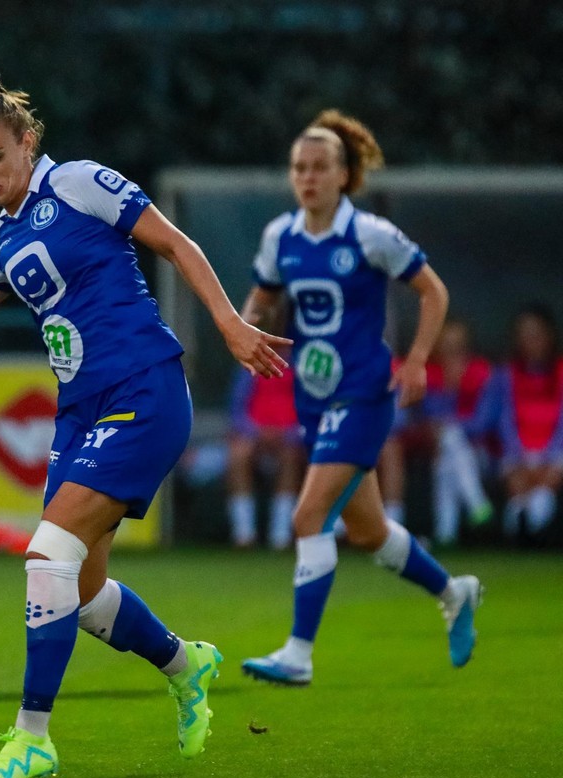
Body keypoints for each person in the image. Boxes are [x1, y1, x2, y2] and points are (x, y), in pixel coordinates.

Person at [0, 73, 290, 778]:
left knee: (47, 555)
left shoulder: (80, 183)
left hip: (145, 389)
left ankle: (33, 739)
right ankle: (189, 666)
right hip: (81, 410)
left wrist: (229, 324)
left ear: (27, 141)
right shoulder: (2, 236)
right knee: (83, 593)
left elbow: (177, 245)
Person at [238, 110, 483, 687]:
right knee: (370, 532)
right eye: (300, 167)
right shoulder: (282, 236)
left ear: (344, 174)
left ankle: (299, 653)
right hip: (315, 397)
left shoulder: (369, 234)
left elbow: (432, 291)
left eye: (321, 167)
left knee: (309, 515)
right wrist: (246, 326)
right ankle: (455, 592)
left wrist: (418, 359)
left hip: (366, 394)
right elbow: (262, 299)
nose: (308, 177)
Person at [496, 304, 563, 543]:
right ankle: (519, 528)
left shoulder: (561, 372)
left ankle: (537, 531)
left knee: (551, 477)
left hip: (555, 455)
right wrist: (520, 457)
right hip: (516, 455)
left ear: (549, 336)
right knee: (516, 482)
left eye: (535, 335)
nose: (530, 342)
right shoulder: (506, 374)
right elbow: (504, 421)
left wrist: (548, 458)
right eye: (524, 335)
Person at [426, 318, 496, 546]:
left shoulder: (481, 372)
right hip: (443, 451)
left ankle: (448, 529)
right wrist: (448, 389)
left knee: (451, 438)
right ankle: (465, 516)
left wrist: (458, 389)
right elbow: (427, 420)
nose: (451, 354)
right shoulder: (430, 374)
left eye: (457, 348)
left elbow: (483, 423)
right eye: (445, 348)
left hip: (483, 453)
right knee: (448, 453)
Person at [226, 365, 304, 550]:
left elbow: (309, 410)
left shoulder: (301, 364)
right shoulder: (250, 366)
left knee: (290, 456)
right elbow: (236, 411)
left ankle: (281, 536)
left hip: (290, 438)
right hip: (255, 437)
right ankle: (243, 535)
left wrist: (285, 434)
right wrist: (258, 433)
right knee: (238, 453)